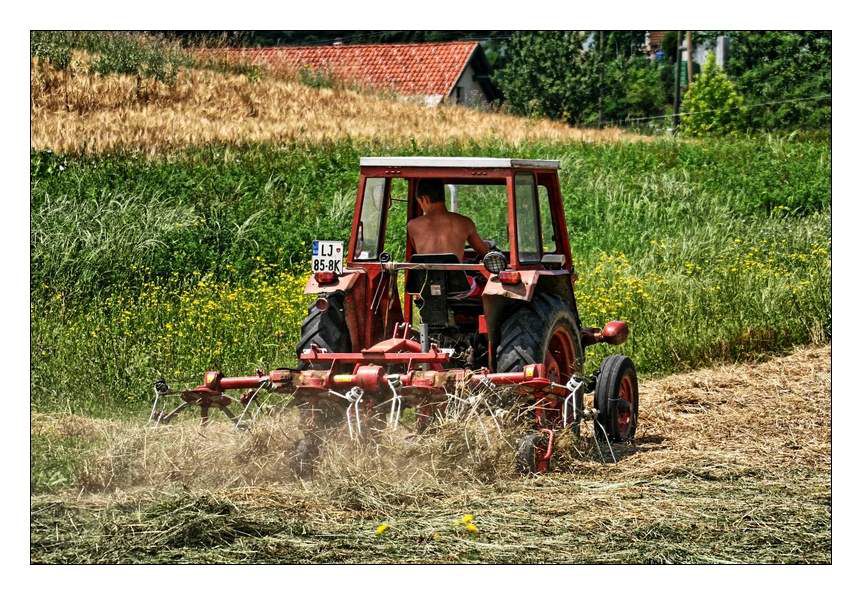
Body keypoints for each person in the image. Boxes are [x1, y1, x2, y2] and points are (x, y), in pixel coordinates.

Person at [407, 180, 489, 262]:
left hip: (425, 275)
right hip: (456, 275)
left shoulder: (413, 226)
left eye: (420, 203)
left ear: (425, 199)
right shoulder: (465, 222)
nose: (421, 207)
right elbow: (485, 253)